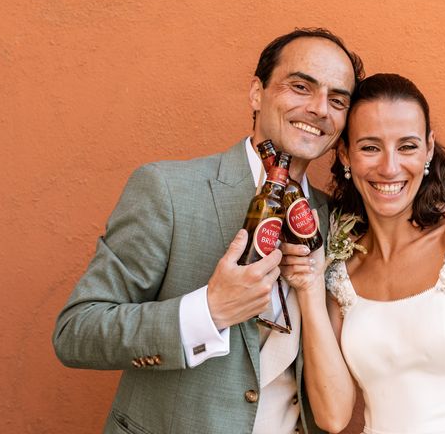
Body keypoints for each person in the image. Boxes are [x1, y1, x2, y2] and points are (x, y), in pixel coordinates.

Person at [52, 28, 364, 434]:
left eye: (337, 100)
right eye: (301, 87)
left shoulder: (334, 218)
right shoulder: (167, 189)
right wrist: (209, 310)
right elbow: (76, 332)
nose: (320, 108)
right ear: (257, 93)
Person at [280, 73, 445, 433]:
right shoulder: (339, 271)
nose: (390, 167)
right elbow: (333, 416)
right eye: (370, 147)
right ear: (345, 153)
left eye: (407, 146)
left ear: (428, 147)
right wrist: (310, 291)